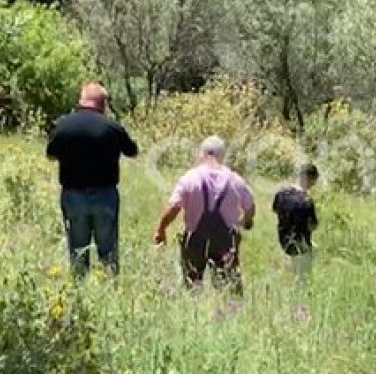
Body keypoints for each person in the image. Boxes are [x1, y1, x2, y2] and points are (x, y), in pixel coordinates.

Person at [46, 82, 138, 277]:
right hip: (105, 195)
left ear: (82, 100)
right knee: (108, 250)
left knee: (78, 249)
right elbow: (132, 151)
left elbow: (51, 154)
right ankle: (111, 289)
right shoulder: (112, 127)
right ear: (102, 103)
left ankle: (80, 291)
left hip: (73, 195)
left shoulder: (64, 125)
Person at [153, 136, 255, 292]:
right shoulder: (235, 180)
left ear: (202, 154)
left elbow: (174, 207)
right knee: (229, 290)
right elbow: (250, 207)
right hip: (226, 241)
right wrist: (245, 222)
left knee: (192, 287)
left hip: (195, 241)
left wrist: (161, 228)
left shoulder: (189, 178)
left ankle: (195, 313)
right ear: (222, 156)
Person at [272, 164, 319, 281]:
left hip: (284, 241)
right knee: (303, 280)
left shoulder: (281, 194)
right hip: (301, 246)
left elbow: (275, 210)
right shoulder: (307, 201)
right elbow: (313, 225)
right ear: (312, 179)